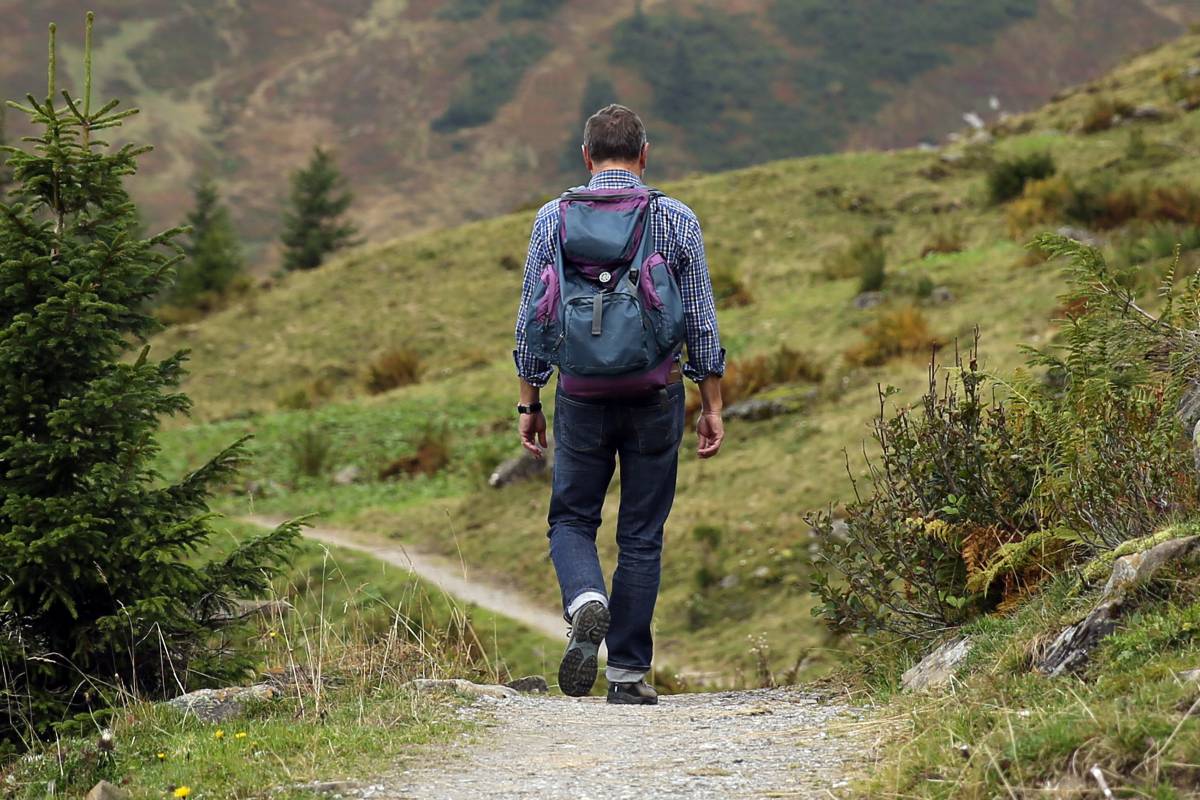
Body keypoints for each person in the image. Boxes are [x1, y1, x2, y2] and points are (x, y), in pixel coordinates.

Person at [513, 104, 725, 705]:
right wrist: (711, 402)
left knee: (572, 519)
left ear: (586, 156)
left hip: (579, 394)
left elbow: (533, 315)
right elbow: (702, 322)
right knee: (641, 533)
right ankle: (627, 674)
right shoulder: (675, 218)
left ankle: (586, 600)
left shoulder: (552, 219)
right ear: (644, 154)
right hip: (655, 393)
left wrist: (529, 400)